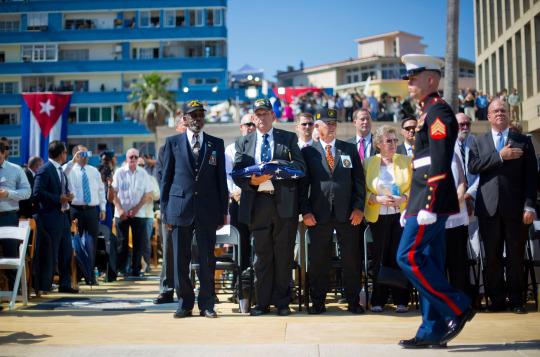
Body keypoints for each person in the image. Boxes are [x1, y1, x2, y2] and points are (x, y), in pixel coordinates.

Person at [396, 54, 474, 349]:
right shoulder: (427, 113)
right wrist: (410, 206)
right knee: (428, 260)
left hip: (432, 202)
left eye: (414, 78)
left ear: (431, 79)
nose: (410, 84)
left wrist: (426, 205)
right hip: (422, 201)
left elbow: (439, 161)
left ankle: (456, 305)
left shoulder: (438, 112)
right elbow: (422, 165)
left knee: (408, 256)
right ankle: (432, 328)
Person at [233, 98, 306, 316]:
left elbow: (301, 167)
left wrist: (278, 167)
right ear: (253, 118)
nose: (261, 118)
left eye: (265, 114)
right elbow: (237, 173)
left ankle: (282, 304)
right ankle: (262, 303)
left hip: (283, 203)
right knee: (261, 257)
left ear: (273, 116)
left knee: (283, 255)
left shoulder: (289, 138)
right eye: (258, 114)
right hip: (258, 204)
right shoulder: (243, 142)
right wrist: (252, 182)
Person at [468, 99, 537, 314]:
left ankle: (516, 300)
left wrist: (529, 206)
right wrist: (500, 156)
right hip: (488, 209)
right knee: (492, 257)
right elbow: (473, 166)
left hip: (516, 210)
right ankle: (496, 300)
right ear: (488, 116)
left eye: (503, 110)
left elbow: (531, 177)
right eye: (495, 111)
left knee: (516, 256)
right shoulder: (479, 142)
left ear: (509, 114)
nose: (499, 113)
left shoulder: (522, 141)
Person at [161, 99, 228, 319]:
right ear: (185, 118)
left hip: (208, 210)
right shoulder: (172, 143)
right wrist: (165, 212)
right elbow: (166, 180)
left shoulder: (215, 144)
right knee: (181, 259)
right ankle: (185, 303)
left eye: (201, 114)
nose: (198, 118)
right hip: (179, 209)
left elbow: (221, 181)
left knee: (208, 259)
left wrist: (223, 212)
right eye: (193, 115)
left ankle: (207, 304)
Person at [299, 108, 365, 315]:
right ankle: (318, 301)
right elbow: (302, 186)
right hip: (319, 216)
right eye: (327, 123)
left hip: (347, 214)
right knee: (319, 261)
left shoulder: (349, 149)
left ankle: (354, 301)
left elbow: (358, 182)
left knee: (352, 260)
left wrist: (358, 207)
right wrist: (306, 212)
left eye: (334, 123)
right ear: (318, 126)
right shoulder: (308, 153)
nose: (332, 126)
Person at [364, 125, 412, 313]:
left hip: (400, 216)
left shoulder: (406, 161)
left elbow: (415, 186)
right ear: (378, 144)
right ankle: (378, 300)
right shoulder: (368, 163)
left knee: (398, 257)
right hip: (378, 216)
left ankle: (401, 299)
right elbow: (363, 190)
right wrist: (376, 198)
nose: (393, 144)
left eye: (395, 140)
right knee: (379, 259)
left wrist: (404, 198)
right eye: (388, 141)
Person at [32, 140, 78, 294]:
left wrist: (67, 197)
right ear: (60, 154)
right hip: (50, 218)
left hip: (63, 216)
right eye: (65, 152)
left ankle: (65, 284)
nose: (66, 154)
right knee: (50, 254)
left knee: (66, 251)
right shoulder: (45, 170)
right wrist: (58, 198)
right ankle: (45, 285)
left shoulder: (60, 170)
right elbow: (37, 193)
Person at [153, 110, 186, 305]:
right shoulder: (167, 147)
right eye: (183, 122)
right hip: (173, 206)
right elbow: (161, 176)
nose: (187, 125)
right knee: (170, 251)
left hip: (195, 207)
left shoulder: (198, 145)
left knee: (196, 249)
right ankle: (167, 289)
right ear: (177, 126)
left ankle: (198, 288)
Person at [63, 145, 106, 284]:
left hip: (92, 210)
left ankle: (90, 275)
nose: (86, 156)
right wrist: (73, 161)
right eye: (83, 153)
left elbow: (100, 190)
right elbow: (62, 172)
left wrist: (103, 208)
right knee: (75, 244)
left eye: (88, 153)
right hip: (75, 209)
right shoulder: (69, 169)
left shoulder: (93, 171)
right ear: (76, 154)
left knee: (91, 243)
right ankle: (77, 274)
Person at [112, 148, 153, 278]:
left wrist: (135, 209)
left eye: (136, 157)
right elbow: (113, 192)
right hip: (121, 213)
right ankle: (122, 269)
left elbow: (148, 194)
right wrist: (119, 209)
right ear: (127, 158)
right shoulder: (119, 172)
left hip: (138, 213)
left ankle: (136, 270)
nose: (133, 159)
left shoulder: (143, 173)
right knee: (121, 243)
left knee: (138, 243)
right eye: (131, 157)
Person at [225, 113, 256, 272]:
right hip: (238, 202)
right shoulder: (230, 149)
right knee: (241, 245)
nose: (251, 127)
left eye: (253, 124)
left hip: (260, 202)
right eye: (247, 124)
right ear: (241, 127)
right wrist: (234, 193)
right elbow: (226, 176)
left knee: (260, 245)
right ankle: (240, 287)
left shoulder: (261, 147)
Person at [0, 141, 31, 290]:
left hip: (8, 217)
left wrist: (8, 194)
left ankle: (15, 291)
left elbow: (27, 192)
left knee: (10, 254)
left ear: (3, 154)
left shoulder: (15, 169)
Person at [137, 156, 160, 274]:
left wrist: (151, 195)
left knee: (145, 241)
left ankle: (146, 265)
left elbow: (157, 195)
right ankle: (134, 266)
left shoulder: (151, 178)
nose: (141, 167)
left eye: (142, 165)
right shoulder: (131, 177)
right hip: (134, 215)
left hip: (147, 215)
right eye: (138, 165)